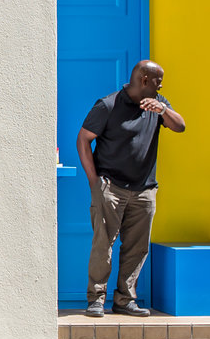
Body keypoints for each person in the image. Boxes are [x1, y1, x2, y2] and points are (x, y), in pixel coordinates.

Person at [76, 60, 186, 318]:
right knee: (103, 245)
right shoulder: (109, 105)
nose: (161, 85)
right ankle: (96, 299)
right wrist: (94, 182)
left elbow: (180, 126)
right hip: (110, 187)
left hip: (145, 190)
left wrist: (162, 110)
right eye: (158, 80)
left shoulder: (157, 102)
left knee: (137, 247)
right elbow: (83, 139)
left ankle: (125, 300)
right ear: (144, 80)